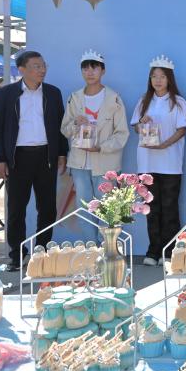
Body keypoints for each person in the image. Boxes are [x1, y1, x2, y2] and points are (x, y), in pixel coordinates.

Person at [0, 51, 68, 271]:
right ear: (22, 69)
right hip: (17, 158)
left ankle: (41, 253)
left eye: (43, 66)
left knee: (48, 208)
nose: (42, 70)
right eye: (36, 66)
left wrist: (62, 153)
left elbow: (60, 126)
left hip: (46, 156)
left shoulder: (53, 93)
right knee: (16, 208)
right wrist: (0, 158)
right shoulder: (7, 93)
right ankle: (16, 255)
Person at [61, 50, 130, 240]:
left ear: (103, 71)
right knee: (84, 209)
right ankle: (91, 247)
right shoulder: (74, 97)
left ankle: (108, 249)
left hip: (106, 163)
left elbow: (122, 133)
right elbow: (64, 129)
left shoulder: (114, 98)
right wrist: (75, 123)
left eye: (94, 68)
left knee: (108, 209)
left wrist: (101, 147)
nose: (90, 72)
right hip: (79, 164)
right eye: (85, 68)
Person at [131, 55, 186, 266]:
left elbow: (182, 130)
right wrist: (142, 122)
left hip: (170, 163)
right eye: (154, 76)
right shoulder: (143, 101)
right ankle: (153, 251)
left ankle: (171, 251)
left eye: (162, 76)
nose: (158, 80)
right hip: (147, 163)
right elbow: (136, 127)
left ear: (169, 79)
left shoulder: (178, 102)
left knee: (170, 207)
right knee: (151, 208)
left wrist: (165, 144)